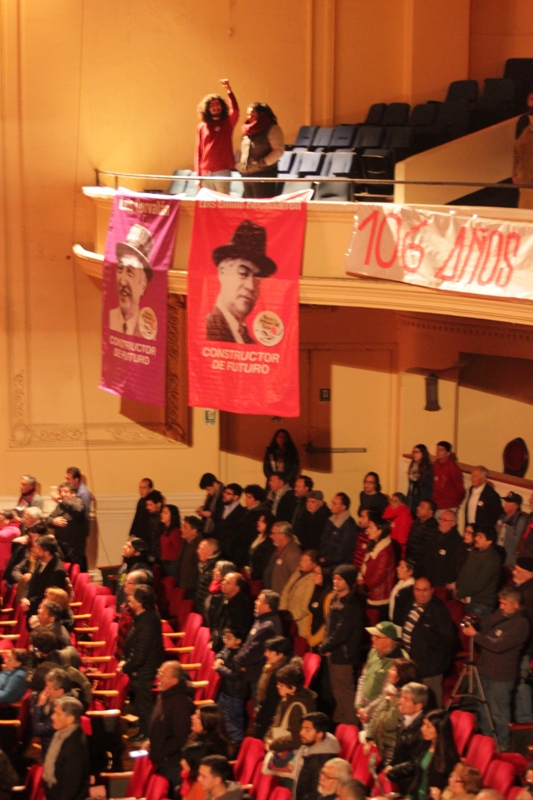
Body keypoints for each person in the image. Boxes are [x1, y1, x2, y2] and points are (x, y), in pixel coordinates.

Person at [462, 585, 530, 751]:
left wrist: (476, 636)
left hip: (501, 676)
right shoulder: (501, 614)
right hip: (485, 671)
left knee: (498, 713)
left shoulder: (521, 624)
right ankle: (486, 744)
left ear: (515, 605)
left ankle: (502, 747)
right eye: (500, 603)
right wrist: (477, 628)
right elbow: (485, 627)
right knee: (483, 710)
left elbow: (499, 645)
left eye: (504, 603)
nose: (501, 606)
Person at [206, 220, 277, 344]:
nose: (251, 286)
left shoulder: (248, 341)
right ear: (222, 272)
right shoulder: (208, 327)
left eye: (257, 279)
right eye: (243, 273)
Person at [398, 577, 457, 707]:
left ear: (431, 591)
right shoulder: (410, 605)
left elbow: (448, 640)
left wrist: (438, 663)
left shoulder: (438, 611)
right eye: (418, 590)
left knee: (432, 705)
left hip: (431, 669)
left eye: (425, 590)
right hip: (413, 665)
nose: (421, 594)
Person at [120, 584, 165, 742]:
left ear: (140, 601)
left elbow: (141, 653)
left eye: (133, 596)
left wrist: (126, 666)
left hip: (144, 670)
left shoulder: (148, 621)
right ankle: (143, 731)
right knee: (140, 705)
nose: (129, 598)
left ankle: (148, 735)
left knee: (145, 706)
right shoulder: (142, 616)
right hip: (139, 669)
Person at [318, 564, 362, 725]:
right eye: (334, 578)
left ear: (349, 582)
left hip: (343, 657)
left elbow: (341, 633)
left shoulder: (350, 605)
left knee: (345, 695)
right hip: (334, 654)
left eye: (340, 579)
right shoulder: (337, 599)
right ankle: (345, 725)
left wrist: (325, 647)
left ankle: (350, 726)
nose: (336, 582)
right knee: (338, 693)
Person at [146, 661, 194, 794]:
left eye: (162, 674)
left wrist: (162, 753)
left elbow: (181, 737)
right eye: (159, 672)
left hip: (171, 763)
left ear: (174, 680)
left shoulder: (181, 703)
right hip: (161, 758)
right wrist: (151, 741)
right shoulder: (165, 695)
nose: (158, 677)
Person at [363, 658, 422, 762]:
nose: (388, 671)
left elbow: (388, 723)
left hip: (393, 751)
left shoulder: (404, 699)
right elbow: (376, 715)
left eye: (393, 670)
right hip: (381, 745)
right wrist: (370, 737)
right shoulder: (390, 691)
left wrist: (387, 702)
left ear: (402, 676)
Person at [233, 590, 283, 697]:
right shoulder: (261, 619)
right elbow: (248, 643)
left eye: (259, 600)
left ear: (267, 606)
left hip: (259, 674)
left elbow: (254, 650)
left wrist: (237, 660)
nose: (255, 602)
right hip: (253, 672)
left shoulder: (268, 626)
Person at [355, 622, 407, 723]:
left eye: (377, 637)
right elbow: (363, 678)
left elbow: (388, 692)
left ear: (389, 640)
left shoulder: (400, 661)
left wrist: (367, 711)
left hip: (381, 713)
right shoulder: (373, 651)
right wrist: (359, 706)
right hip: (365, 710)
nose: (372, 639)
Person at [108, 223, 155, 337]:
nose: (122, 282)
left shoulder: (148, 330)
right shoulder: (109, 318)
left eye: (130, 272)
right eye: (120, 269)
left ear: (143, 286)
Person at [265, 664, 316, 764]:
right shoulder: (286, 700)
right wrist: (268, 738)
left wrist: (274, 743)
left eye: (281, 685)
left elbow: (297, 738)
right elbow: (275, 723)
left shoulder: (298, 707)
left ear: (292, 688)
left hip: (293, 759)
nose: (277, 687)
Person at [195, 79, 239, 194]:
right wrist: (197, 176)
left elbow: (235, 110)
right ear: (207, 109)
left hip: (222, 171)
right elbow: (198, 153)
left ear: (222, 106)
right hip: (205, 172)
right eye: (212, 105)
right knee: (208, 205)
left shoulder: (227, 123)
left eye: (217, 104)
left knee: (223, 203)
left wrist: (229, 91)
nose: (215, 107)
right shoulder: (202, 126)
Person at [383, 682, 428, 795]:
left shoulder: (424, 729)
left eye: (406, 699)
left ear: (418, 706)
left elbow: (416, 764)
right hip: (400, 778)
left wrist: (393, 772)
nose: (399, 701)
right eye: (401, 697)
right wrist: (389, 765)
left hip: (412, 786)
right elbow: (396, 749)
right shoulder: (403, 719)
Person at [42, 696, 90, 800]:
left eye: (57, 714)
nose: (52, 717)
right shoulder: (60, 735)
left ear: (70, 719)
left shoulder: (75, 746)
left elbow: (70, 788)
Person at [235, 102, 284, 198]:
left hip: (264, 174)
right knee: (249, 207)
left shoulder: (272, 129)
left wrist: (263, 163)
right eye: (248, 114)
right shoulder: (247, 131)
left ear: (262, 114)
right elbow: (242, 149)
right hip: (246, 175)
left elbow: (278, 150)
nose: (250, 117)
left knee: (262, 207)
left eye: (253, 114)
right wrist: (239, 164)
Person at [409, 710, 459, 800]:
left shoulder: (449, 757)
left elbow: (446, 789)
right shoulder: (424, 745)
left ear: (440, 730)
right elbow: (417, 777)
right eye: (423, 724)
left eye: (428, 726)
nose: (422, 728)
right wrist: (409, 796)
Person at [456, 527, 502, 618]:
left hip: (481, 605)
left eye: (480, 537)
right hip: (469, 599)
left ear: (489, 541)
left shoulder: (492, 559)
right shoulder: (475, 552)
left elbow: (479, 583)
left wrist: (459, 593)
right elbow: (465, 573)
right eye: (477, 535)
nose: (476, 538)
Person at [293, 712, 341, 800]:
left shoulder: (321, 763)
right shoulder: (310, 750)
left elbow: (316, 795)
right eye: (302, 728)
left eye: (307, 730)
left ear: (320, 734)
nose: (301, 733)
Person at [213, 627, 248, 746]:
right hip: (225, 689)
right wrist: (218, 659)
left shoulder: (242, 655)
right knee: (222, 716)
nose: (225, 640)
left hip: (236, 692)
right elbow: (221, 653)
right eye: (224, 637)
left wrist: (219, 668)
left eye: (229, 638)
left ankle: (236, 743)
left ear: (238, 641)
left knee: (235, 719)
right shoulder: (228, 648)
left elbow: (235, 675)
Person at [254, 635, 294, 739]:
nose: (265, 654)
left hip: (273, 717)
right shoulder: (272, 666)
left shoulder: (281, 674)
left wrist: (261, 720)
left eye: (269, 651)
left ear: (280, 654)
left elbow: (272, 702)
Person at [357, 514, 395, 619]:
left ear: (380, 531)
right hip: (369, 591)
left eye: (371, 528)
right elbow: (365, 564)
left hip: (378, 595)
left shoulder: (385, 552)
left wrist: (364, 586)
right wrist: (360, 579)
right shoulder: (373, 544)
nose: (367, 530)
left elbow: (378, 575)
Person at [21, 535, 67, 617]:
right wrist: (25, 598)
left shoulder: (57, 571)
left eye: (38, 548)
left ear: (46, 552)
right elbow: (31, 583)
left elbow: (50, 596)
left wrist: (29, 602)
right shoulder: (40, 561)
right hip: (31, 607)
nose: (35, 550)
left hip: (44, 613)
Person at [210, 571, 253, 653]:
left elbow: (232, 630)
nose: (223, 583)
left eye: (228, 582)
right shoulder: (225, 598)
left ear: (237, 588)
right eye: (224, 580)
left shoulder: (241, 605)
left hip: (230, 648)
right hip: (220, 642)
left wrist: (218, 646)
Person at [47, 483, 87, 569]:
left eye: (65, 492)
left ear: (73, 493)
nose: (62, 494)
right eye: (61, 492)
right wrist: (54, 521)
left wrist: (61, 501)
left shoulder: (77, 501)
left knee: (75, 569)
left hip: (74, 546)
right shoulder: (60, 505)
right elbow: (48, 519)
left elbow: (78, 511)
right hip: (61, 546)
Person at [420, 510, 463, 588]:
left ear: (453, 523)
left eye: (445, 520)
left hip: (441, 585)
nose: (441, 522)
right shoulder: (435, 535)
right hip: (428, 581)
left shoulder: (457, 542)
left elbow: (454, 566)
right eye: (440, 519)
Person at [280, 550, 317, 636]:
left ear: (314, 564)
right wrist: (283, 611)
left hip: (299, 622)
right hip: (287, 618)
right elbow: (286, 591)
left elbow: (305, 606)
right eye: (301, 560)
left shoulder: (312, 580)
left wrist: (291, 616)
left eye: (305, 561)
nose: (302, 563)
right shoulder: (297, 572)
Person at [319, 493, 358, 567]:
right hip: (325, 560)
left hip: (338, 565)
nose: (331, 505)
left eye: (335, 504)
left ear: (343, 507)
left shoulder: (349, 526)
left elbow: (343, 551)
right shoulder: (330, 520)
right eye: (332, 502)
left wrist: (326, 559)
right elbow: (323, 539)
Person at [263, 521, 301, 595]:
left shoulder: (293, 553)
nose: (271, 536)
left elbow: (295, 579)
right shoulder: (278, 548)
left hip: (282, 597)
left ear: (283, 535)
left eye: (273, 533)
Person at [306, 564, 334, 650]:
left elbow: (328, 623)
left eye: (317, 573)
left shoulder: (330, 596)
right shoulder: (316, 589)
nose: (313, 576)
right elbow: (311, 613)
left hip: (323, 642)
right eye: (313, 572)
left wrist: (314, 640)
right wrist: (308, 633)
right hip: (312, 638)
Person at [496, 491, 527, 568]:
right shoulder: (502, 517)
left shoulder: (520, 521)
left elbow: (518, 545)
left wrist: (512, 562)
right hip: (497, 557)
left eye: (509, 503)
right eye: (506, 502)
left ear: (516, 506)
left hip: (508, 561)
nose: (505, 504)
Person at [432, 442, 465, 513]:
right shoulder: (435, 464)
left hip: (448, 506)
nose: (438, 452)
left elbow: (460, 489)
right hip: (435, 504)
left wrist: (456, 501)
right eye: (437, 449)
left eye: (441, 450)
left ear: (448, 453)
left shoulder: (452, 467)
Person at [216, 484, 246, 559]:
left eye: (228, 493)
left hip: (232, 551)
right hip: (220, 548)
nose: (224, 495)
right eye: (224, 492)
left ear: (236, 497)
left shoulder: (242, 512)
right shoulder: (220, 507)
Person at [406, 500, 439, 566]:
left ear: (430, 512)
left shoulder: (432, 527)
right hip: (409, 558)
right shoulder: (416, 521)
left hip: (420, 563)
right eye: (419, 506)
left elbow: (426, 549)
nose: (418, 508)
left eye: (422, 507)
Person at [176, 516, 203, 598]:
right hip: (184, 584)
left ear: (194, 531)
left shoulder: (200, 546)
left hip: (194, 588)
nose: (181, 529)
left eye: (185, 527)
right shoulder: (185, 542)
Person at [195, 538, 221, 618]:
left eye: (201, 548)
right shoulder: (205, 565)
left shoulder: (216, 568)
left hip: (208, 611)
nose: (197, 551)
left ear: (210, 552)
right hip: (200, 606)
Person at [247, 510, 276, 580]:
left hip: (257, 577)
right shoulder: (257, 536)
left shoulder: (270, 542)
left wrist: (253, 574)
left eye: (262, 521)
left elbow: (264, 563)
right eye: (259, 520)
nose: (258, 522)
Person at [513, 107, 533, 209]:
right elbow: (516, 154)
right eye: (531, 117)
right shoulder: (525, 133)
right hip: (525, 180)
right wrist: (515, 173)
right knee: (525, 210)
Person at [383, 492, 412, 560]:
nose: (392, 503)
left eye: (395, 501)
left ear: (402, 503)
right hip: (387, 545)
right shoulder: (387, 511)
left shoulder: (405, 516)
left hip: (396, 549)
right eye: (391, 500)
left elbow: (402, 538)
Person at [389, 559, 415, 633]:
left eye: (402, 567)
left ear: (410, 572)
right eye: (399, 565)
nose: (397, 568)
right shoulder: (400, 584)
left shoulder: (410, 590)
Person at [407, 444, 434, 516]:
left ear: (423, 453)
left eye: (417, 452)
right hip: (412, 497)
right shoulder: (413, 465)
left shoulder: (428, 467)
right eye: (414, 452)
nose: (415, 454)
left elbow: (428, 487)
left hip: (422, 497)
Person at [159, 503, 182, 577]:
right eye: (162, 512)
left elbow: (178, 550)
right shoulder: (164, 530)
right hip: (164, 562)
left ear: (172, 516)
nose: (162, 514)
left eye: (165, 513)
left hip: (172, 564)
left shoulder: (175, 532)